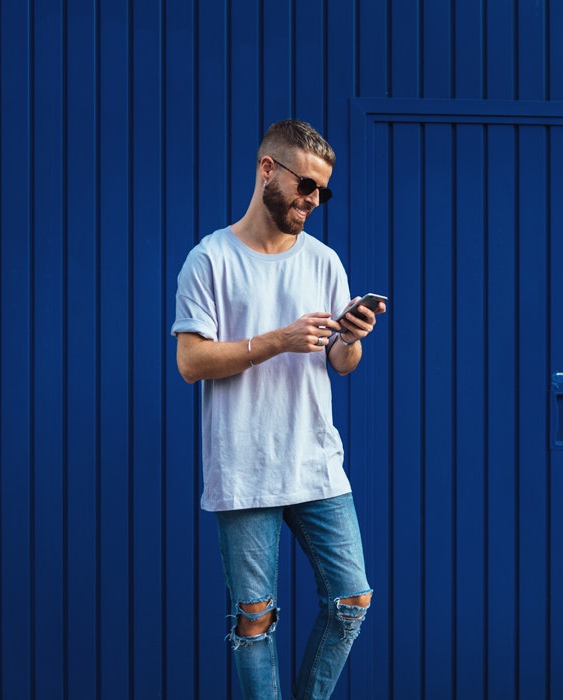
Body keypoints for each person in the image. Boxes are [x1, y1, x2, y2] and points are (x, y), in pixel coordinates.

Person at [171, 119, 385, 699]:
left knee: (351, 599)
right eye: (305, 186)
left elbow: (341, 363)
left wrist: (351, 337)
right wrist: (278, 341)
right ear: (268, 169)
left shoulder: (324, 261)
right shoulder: (209, 260)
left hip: (314, 460)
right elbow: (190, 362)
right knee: (255, 618)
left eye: (322, 191)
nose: (313, 201)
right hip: (242, 466)